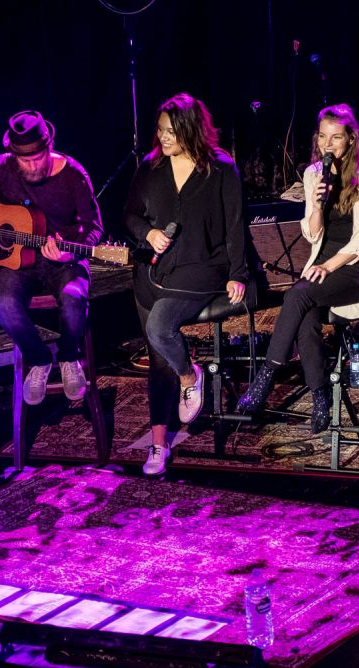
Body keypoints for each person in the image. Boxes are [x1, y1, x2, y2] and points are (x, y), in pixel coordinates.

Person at [235, 104, 359, 433]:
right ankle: (321, 395)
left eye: (336, 138)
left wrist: (327, 266)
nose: (327, 145)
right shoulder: (312, 175)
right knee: (303, 308)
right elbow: (311, 233)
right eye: (323, 137)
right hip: (322, 262)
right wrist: (318, 205)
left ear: (351, 139)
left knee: (298, 296)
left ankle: (265, 380)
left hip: (357, 266)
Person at [0, 110, 103, 404]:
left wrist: (69, 252)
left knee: (74, 299)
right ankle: (39, 360)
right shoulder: (6, 166)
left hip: (63, 261)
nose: (30, 166)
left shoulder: (74, 175)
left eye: (36, 158)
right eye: (23, 160)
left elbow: (95, 227)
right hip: (19, 262)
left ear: (49, 147)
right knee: (2, 303)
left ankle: (68, 358)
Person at [124, 93, 248, 476]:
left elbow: (234, 225)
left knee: (159, 328)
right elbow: (129, 215)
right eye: (160, 131)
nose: (162, 138)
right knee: (157, 359)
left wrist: (238, 273)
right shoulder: (149, 168)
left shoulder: (221, 168)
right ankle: (159, 446)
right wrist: (149, 232)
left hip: (202, 270)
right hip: (153, 272)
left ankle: (190, 376)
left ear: (191, 130)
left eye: (171, 132)